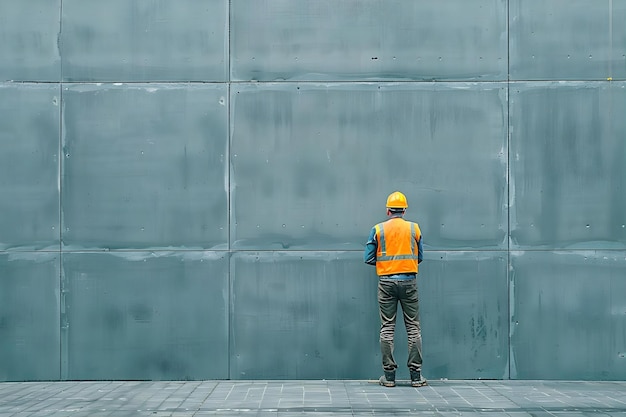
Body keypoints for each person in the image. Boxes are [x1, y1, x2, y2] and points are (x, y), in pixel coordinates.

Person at [364, 191, 426, 388]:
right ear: (404, 210)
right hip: (409, 282)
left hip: (386, 283)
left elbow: (368, 257)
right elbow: (420, 257)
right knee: (413, 328)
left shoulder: (378, 229)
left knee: (387, 328)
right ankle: (416, 377)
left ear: (388, 210)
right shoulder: (414, 228)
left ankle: (389, 377)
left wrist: (386, 265)